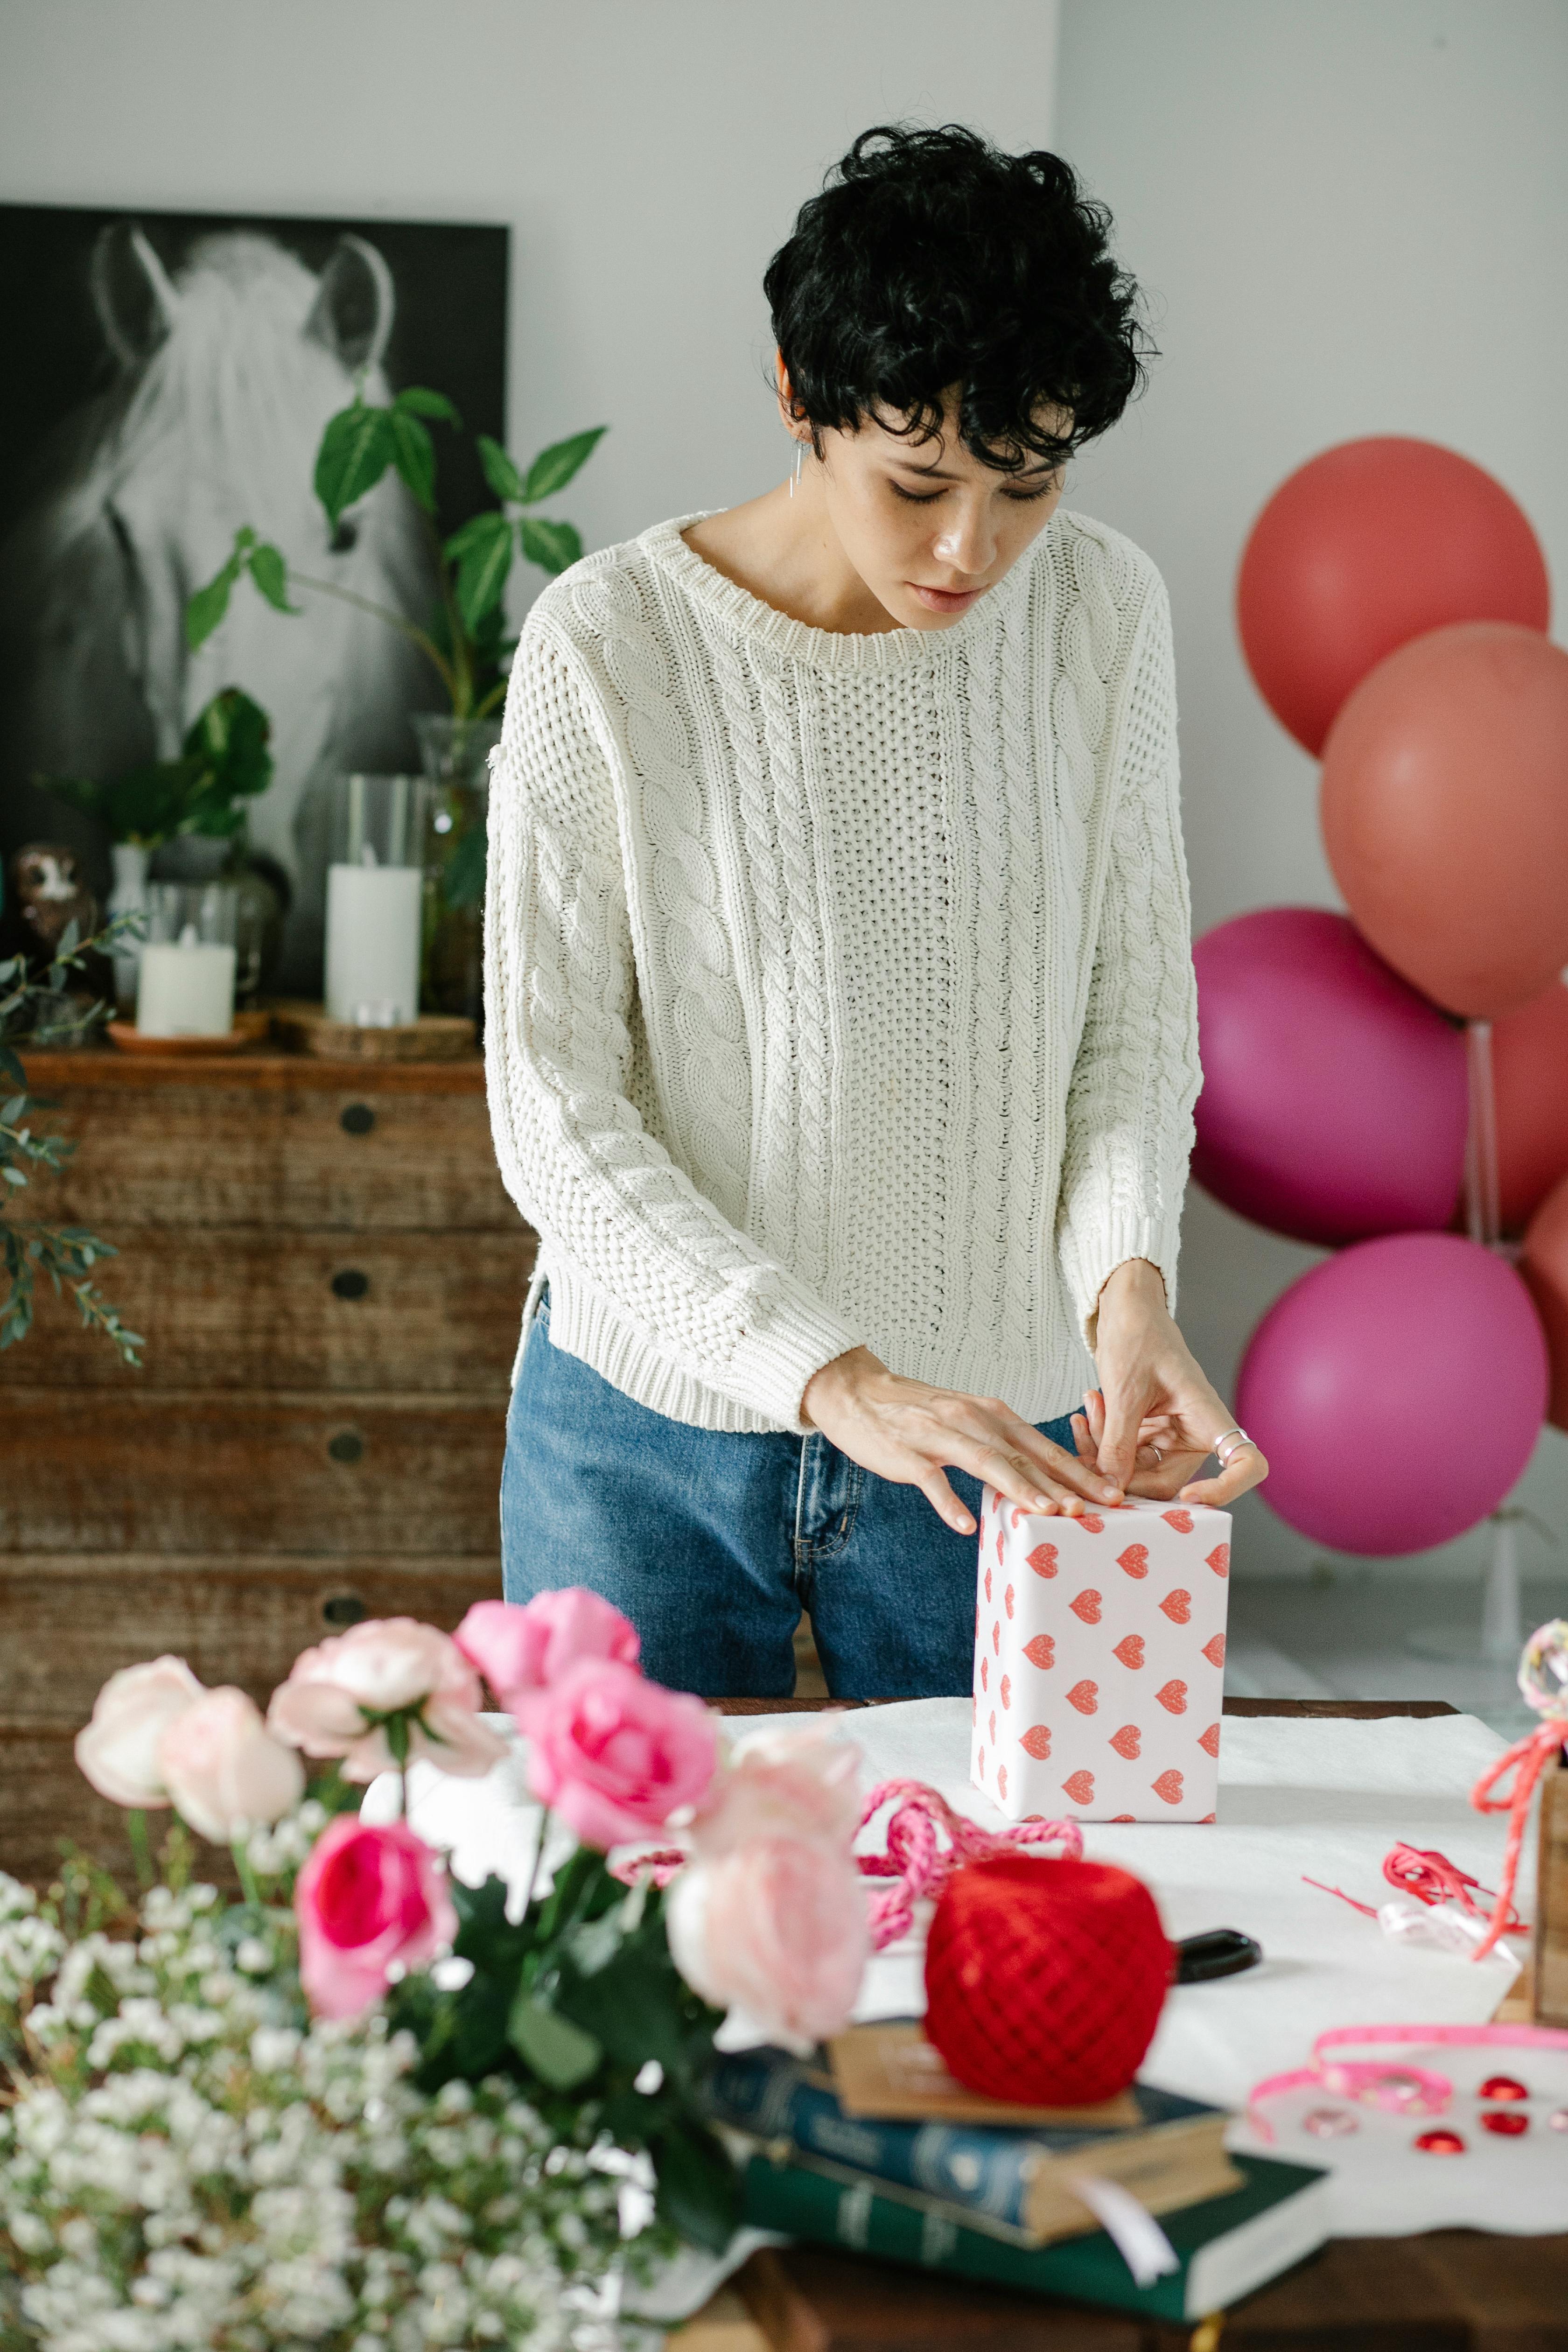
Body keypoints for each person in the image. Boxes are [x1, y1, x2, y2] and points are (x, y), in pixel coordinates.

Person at [485, 123, 1267, 1700]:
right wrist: (827, 1375)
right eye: (919, 485)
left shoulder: (1103, 613)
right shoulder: (607, 645)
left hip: (1007, 1433)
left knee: (1005, 1917)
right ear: (798, 395)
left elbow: (1129, 1018)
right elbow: (552, 1113)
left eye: (1025, 484)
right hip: (650, 1440)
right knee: (621, 1927)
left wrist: (1128, 1292)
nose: (973, 546)